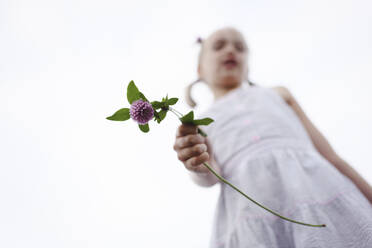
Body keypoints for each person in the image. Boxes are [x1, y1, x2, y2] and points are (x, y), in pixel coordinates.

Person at [173, 26, 372, 247]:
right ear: (200, 69)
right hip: (253, 210)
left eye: (240, 48)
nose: (230, 50)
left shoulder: (278, 94)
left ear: (248, 66)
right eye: (219, 46)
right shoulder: (201, 120)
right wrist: (198, 165)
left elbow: (331, 157)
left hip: (319, 188)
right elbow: (211, 175)